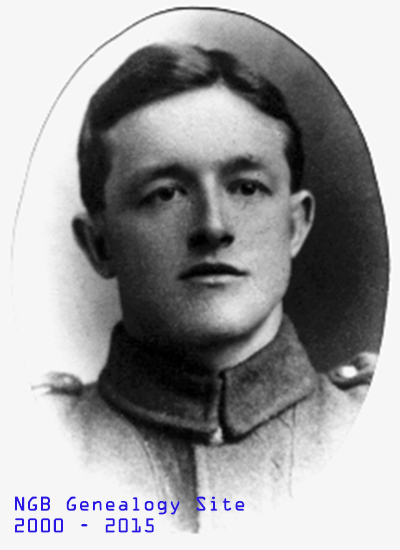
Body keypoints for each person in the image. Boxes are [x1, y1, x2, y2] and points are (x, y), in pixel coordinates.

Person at [35, 43, 376, 533]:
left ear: (296, 225)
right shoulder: (34, 441)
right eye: (165, 194)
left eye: (246, 187)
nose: (213, 227)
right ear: (99, 244)